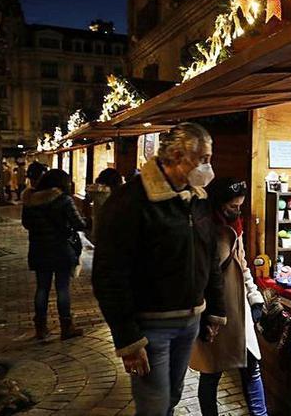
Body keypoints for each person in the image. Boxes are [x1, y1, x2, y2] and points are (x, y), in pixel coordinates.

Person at [93, 122, 226, 416]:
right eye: (203, 158)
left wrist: (215, 308)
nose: (208, 167)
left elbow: (210, 256)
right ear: (177, 156)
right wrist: (127, 339)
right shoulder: (129, 201)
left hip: (189, 321)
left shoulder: (197, 199)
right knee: (153, 403)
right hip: (151, 326)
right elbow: (108, 273)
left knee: (172, 397)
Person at [191, 178, 267, 416]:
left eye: (240, 206)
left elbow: (242, 264)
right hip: (213, 311)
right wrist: (202, 315)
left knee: (252, 367)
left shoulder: (236, 226)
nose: (237, 211)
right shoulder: (202, 228)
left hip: (239, 309)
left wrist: (254, 296)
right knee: (211, 372)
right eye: (233, 206)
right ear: (218, 203)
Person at [21, 168, 87, 340]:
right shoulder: (64, 200)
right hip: (61, 249)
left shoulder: (30, 200)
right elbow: (79, 224)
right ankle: (66, 326)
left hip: (38, 249)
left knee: (42, 288)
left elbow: (26, 224)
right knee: (62, 288)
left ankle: (40, 328)